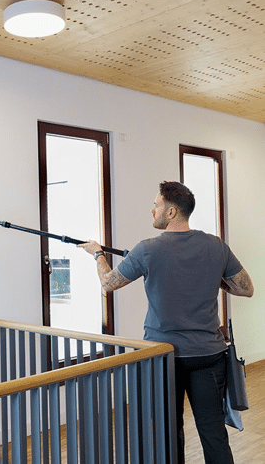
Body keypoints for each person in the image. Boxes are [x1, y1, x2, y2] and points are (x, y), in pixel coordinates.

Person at [78, 181, 254, 464]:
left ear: (171, 212)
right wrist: (212, 276)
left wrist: (98, 254)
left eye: (156, 205)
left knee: (169, 432)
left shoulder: (147, 249)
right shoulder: (216, 245)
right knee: (213, 432)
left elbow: (108, 284)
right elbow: (245, 288)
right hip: (208, 355)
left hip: (163, 357)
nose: (152, 210)